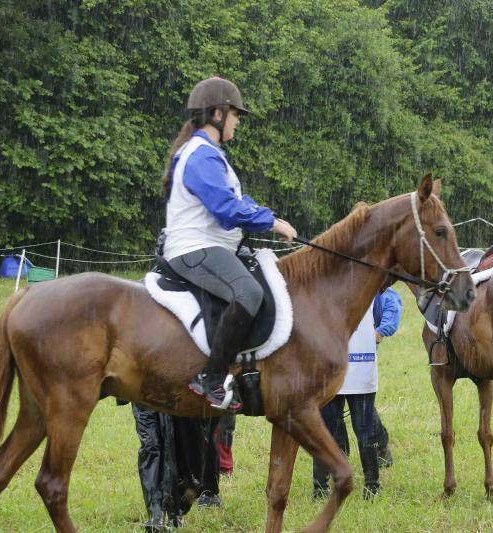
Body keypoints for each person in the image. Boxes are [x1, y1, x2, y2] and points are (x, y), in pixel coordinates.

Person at [161, 77, 297, 411]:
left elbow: (237, 199)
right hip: (195, 248)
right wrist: (272, 223)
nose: (237, 122)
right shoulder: (201, 156)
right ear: (218, 114)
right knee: (249, 293)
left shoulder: (209, 154)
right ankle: (211, 378)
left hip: (211, 246)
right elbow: (225, 209)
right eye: (235, 115)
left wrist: (269, 215)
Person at [312, 287, 402, 500]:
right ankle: (320, 487)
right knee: (326, 430)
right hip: (330, 369)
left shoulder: (373, 286)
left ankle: (372, 486)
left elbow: (391, 303)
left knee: (366, 431)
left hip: (360, 369)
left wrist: (378, 335)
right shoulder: (325, 284)